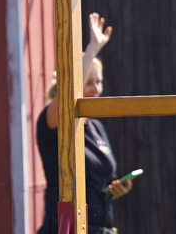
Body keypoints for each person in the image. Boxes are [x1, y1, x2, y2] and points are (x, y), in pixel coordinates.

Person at [37, 13, 135, 234]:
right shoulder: (52, 121)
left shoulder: (96, 127)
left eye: (98, 82)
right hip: (66, 228)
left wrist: (117, 187)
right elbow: (69, 92)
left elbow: (102, 179)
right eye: (88, 82)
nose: (95, 89)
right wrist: (92, 48)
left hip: (102, 229)